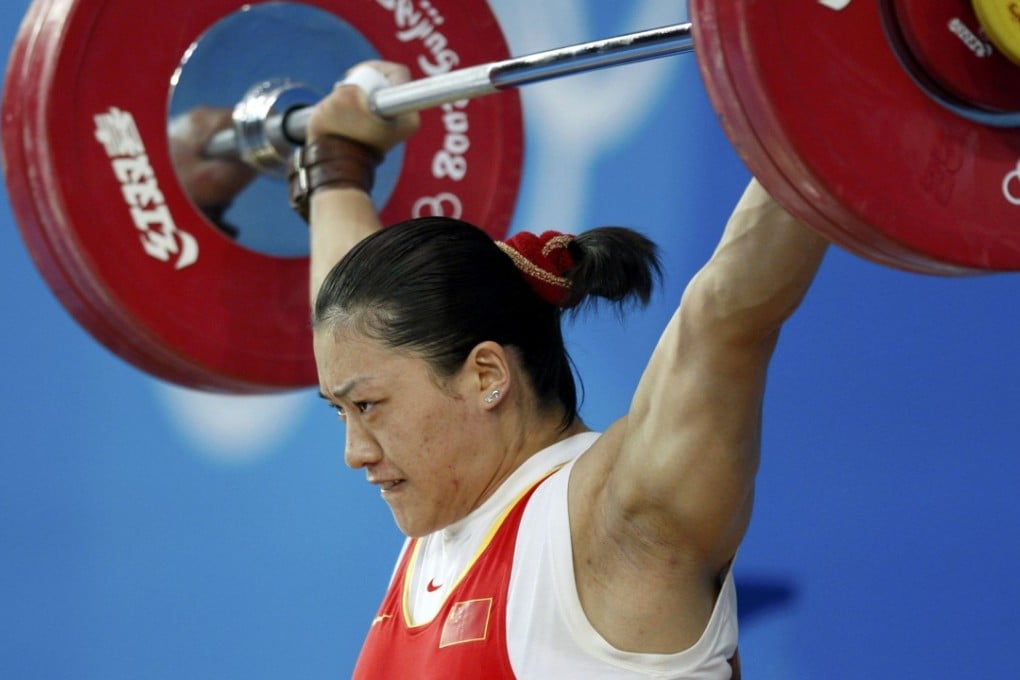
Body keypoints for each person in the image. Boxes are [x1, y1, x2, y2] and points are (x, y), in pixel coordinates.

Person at [296, 60, 827, 678]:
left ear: (486, 376)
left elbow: (727, 317)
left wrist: (834, 82)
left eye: (367, 409)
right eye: (340, 410)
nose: (354, 451)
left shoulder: (617, 521)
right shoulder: (448, 524)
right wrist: (336, 165)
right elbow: (358, 335)